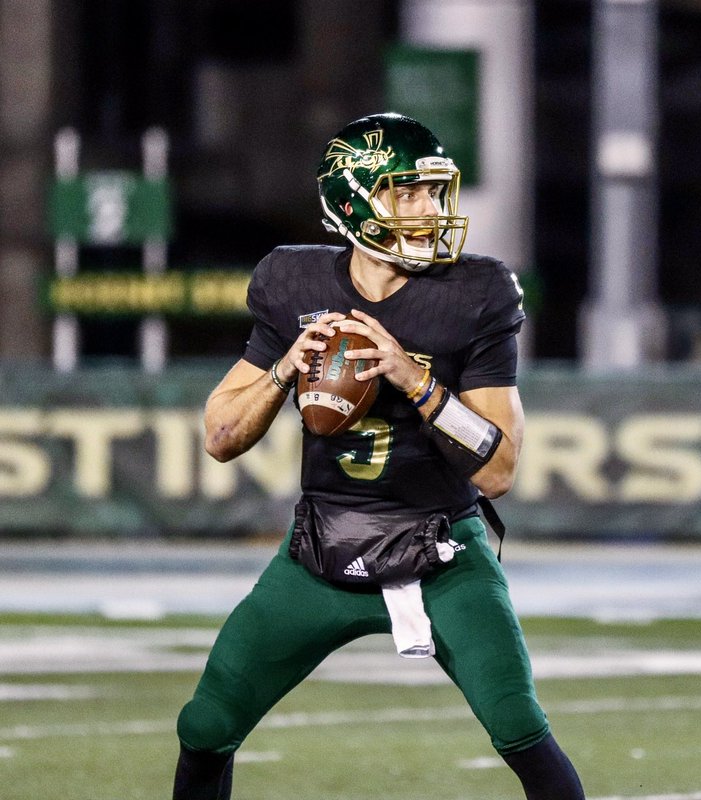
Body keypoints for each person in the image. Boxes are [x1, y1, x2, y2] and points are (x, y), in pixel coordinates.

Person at [172, 112, 586, 800]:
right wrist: (282, 373)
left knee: (517, 723)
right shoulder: (293, 284)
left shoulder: (474, 294)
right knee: (206, 722)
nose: (430, 208)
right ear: (352, 202)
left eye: (432, 190)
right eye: (408, 192)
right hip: (321, 549)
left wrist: (412, 377)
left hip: (443, 551)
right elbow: (219, 438)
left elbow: (501, 470)